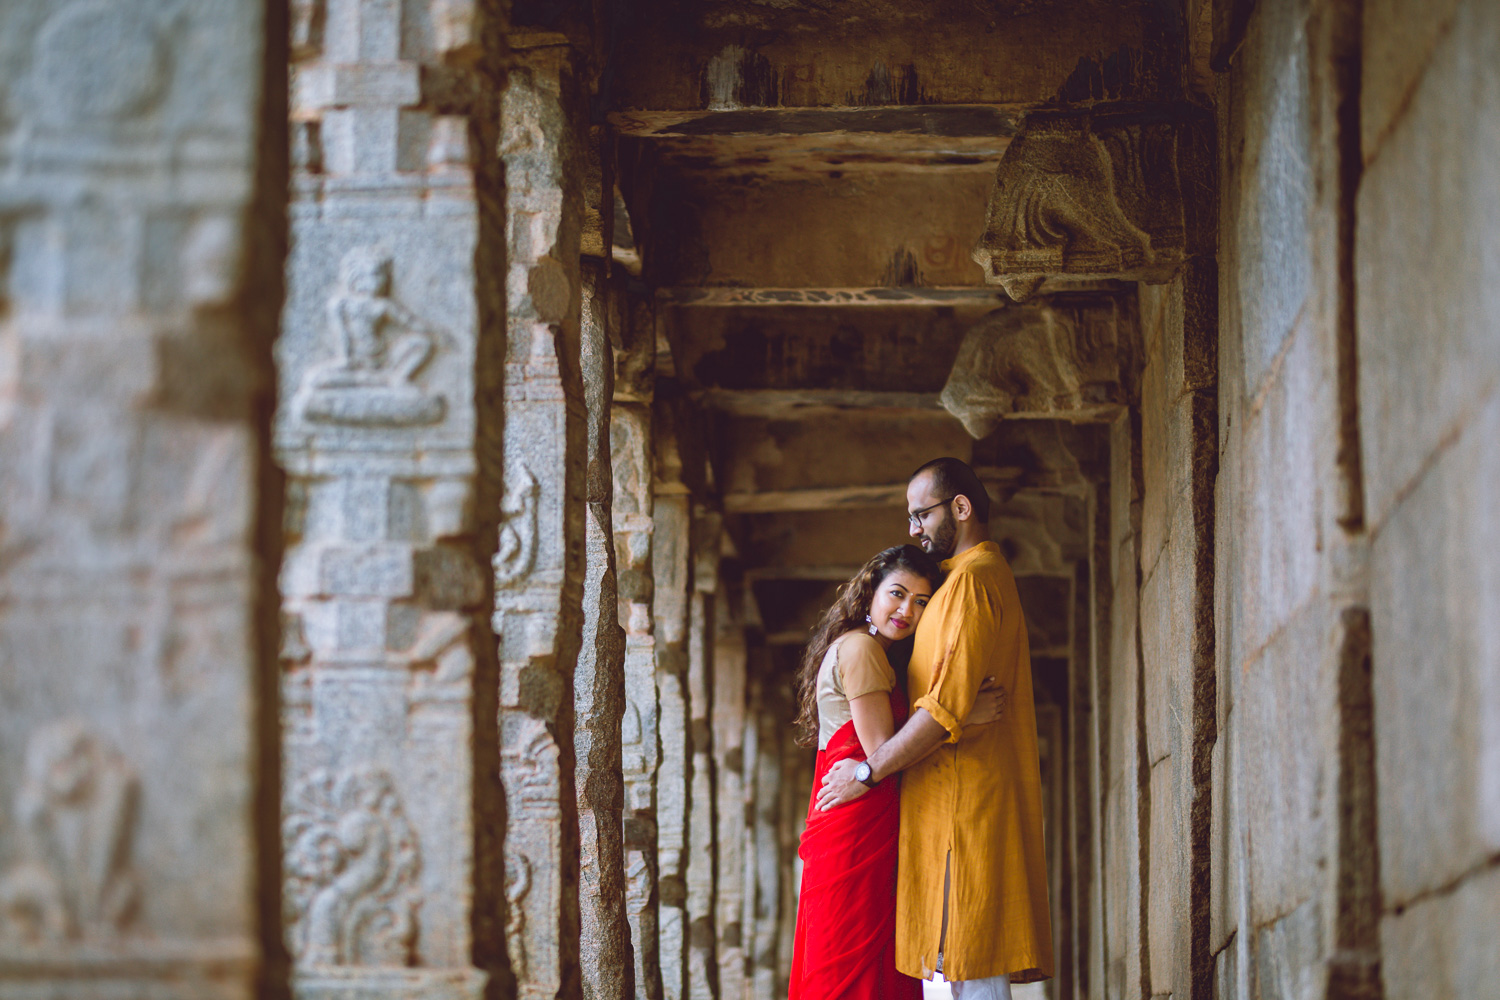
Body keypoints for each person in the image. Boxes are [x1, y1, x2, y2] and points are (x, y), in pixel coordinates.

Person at [817, 458, 1054, 999]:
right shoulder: (963, 581)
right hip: (949, 809)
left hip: (960, 813)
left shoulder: (971, 583)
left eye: (920, 514)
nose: (913, 529)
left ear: (961, 508)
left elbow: (942, 710)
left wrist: (868, 772)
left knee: (968, 974)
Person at [788, 545, 1003, 1000]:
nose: (907, 610)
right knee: (855, 960)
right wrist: (960, 715)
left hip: (869, 817)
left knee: (874, 959)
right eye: (898, 594)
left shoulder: (875, 652)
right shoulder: (863, 649)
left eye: (922, 601)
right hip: (855, 824)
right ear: (870, 593)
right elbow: (882, 754)